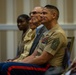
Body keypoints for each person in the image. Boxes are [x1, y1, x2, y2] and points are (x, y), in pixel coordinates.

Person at [0, 5, 67, 75]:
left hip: (48, 68)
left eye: (44, 13)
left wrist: (19, 63)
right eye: (41, 13)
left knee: (8, 67)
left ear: (53, 15)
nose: (41, 16)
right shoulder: (47, 32)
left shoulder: (57, 34)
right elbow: (33, 55)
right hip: (40, 64)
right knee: (2, 65)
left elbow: (43, 59)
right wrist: (18, 62)